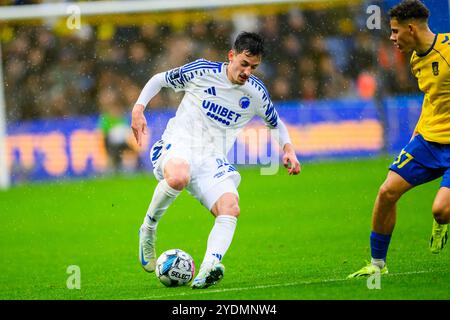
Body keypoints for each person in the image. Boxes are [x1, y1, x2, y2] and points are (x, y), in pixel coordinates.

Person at [131, 32, 301, 288]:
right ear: (231, 56)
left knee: (230, 207)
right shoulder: (202, 71)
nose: (247, 71)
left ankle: (208, 267)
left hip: (212, 160)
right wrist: (138, 108)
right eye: (244, 64)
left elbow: (275, 123)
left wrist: (288, 149)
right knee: (178, 176)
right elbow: (159, 80)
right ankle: (148, 229)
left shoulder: (256, 93)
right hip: (179, 143)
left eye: (253, 67)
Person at [348, 0, 449, 278]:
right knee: (386, 192)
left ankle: (442, 220)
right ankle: (377, 265)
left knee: (440, 210)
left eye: (394, 31)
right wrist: (418, 131)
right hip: (429, 141)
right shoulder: (417, 59)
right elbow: (432, 98)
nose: (391, 38)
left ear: (411, 29)